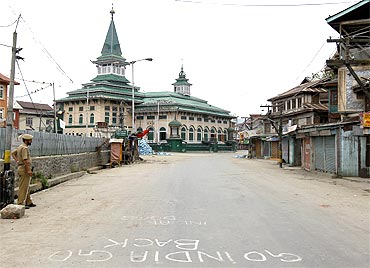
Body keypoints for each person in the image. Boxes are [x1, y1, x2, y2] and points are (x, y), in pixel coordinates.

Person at [11, 133, 36, 209]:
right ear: (26, 140)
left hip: (21, 167)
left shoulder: (20, 147)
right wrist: (28, 170)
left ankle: (28, 202)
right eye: (30, 140)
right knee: (23, 187)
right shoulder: (24, 148)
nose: (31, 141)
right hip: (24, 168)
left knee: (26, 186)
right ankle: (20, 203)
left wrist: (17, 161)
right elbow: (25, 160)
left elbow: (13, 153)